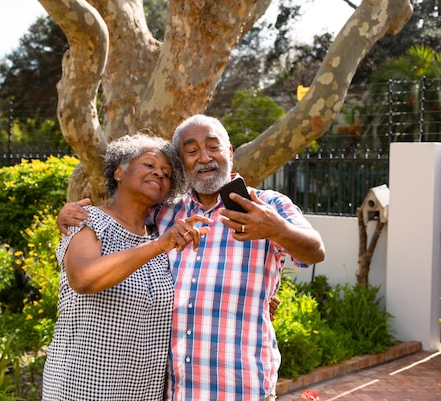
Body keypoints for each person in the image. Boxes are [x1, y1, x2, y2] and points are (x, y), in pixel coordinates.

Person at [57, 114, 326, 401]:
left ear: (230, 152)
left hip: (242, 389)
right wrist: (69, 216)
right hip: (175, 391)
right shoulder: (163, 214)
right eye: (191, 150)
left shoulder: (268, 205)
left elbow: (315, 252)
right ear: (182, 164)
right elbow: (121, 215)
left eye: (213, 146)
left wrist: (278, 229)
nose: (204, 157)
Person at [42, 133, 212, 401]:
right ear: (119, 172)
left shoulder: (159, 235)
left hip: (142, 390)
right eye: (149, 165)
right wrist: (158, 246)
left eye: (167, 174)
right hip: (84, 386)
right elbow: (83, 279)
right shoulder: (90, 221)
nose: (159, 175)